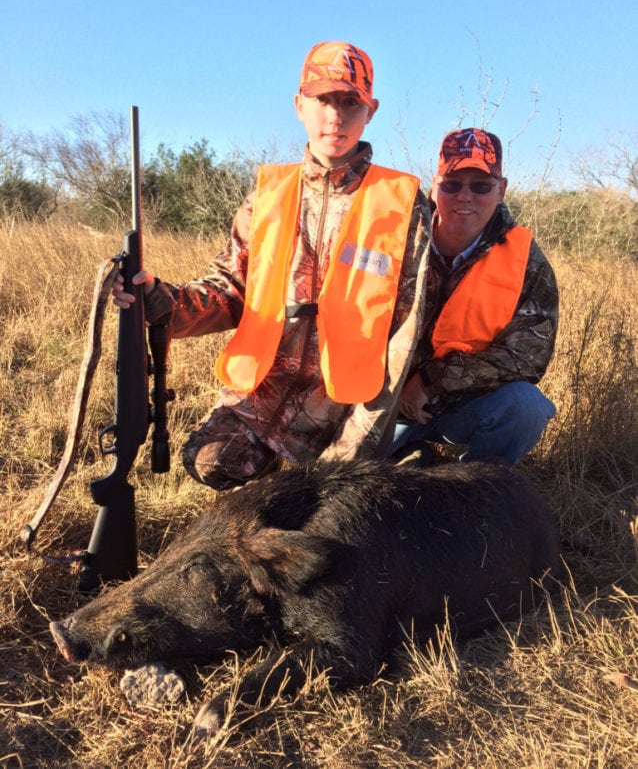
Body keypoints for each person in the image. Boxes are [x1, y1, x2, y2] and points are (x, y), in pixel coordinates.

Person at [113, 41, 430, 487]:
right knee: (209, 462)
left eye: (349, 102)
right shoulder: (266, 198)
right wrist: (157, 300)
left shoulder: (403, 205)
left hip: (345, 410)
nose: (335, 116)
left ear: (370, 110)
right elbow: (228, 291)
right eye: (323, 99)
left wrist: (357, 442)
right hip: (262, 400)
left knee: (335, 502)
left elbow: (404, 336)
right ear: (300, 105)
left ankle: (390, 460)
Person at [391, 127, 558, 466]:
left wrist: (430, 382)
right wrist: (395, 393)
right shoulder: (395, 240)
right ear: (435, 187)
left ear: (501, 190)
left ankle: (478, 487)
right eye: (452, 184)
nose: (465, 196)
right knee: (355, 483)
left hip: (461, 406)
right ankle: (412, 459)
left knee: (525, 406)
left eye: (480, 185)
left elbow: (526, 359)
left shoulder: (525, 259)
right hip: (385, 405)